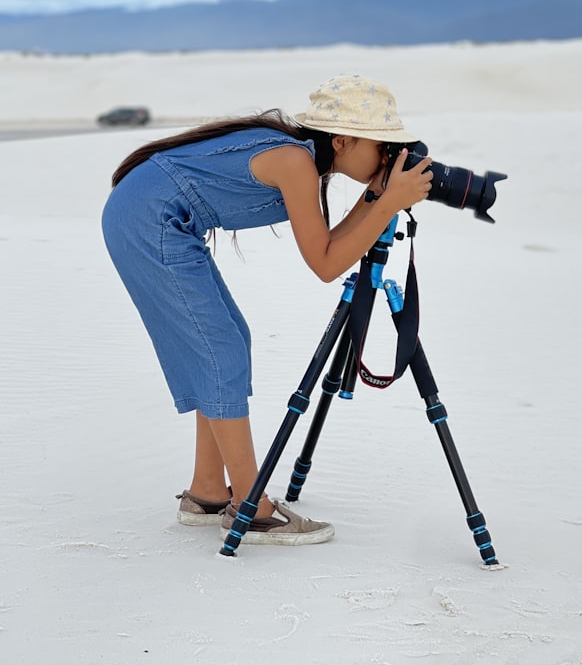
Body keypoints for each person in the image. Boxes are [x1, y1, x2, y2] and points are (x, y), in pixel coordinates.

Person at [101, 74, 433, 546]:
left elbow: (333, 244)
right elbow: (325, 263)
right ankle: (251, 508)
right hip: (148, 220)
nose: (387, 157)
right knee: (221, 352)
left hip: (150, 215)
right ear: (342, 140)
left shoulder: (302, 158)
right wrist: (385, 205)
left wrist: (379, 196)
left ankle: (209, 492)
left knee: (227, 341)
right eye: (382, 147)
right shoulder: (295, 161)